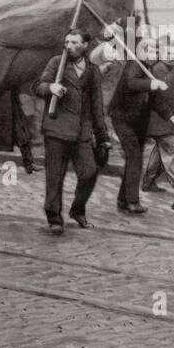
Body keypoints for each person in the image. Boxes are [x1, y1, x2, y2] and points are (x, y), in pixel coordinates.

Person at [34, 28, 111, 233]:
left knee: (89, 173)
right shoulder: (56, 63)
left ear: (85, 45)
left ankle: (77, 210)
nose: (69, 46)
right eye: (67, 42)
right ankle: (54, 217)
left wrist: (102, 136)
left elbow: (97, 104)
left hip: (82, 132)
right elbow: (39, 86)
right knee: (55, 177)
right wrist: (50, 88)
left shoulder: (93, 70)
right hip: (56, 128)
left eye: (75, 42)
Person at [108, 38, 166, 214]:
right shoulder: (134, 65)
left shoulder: (149, 69)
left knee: (135, 157)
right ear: (141, 51)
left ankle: (123, 199)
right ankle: (132, 201)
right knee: (135, 157)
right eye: (150, 51)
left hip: (138, 121)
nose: (154, 55)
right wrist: (152, 83)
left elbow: (156, 100)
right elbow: (132, 83)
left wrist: (170, 117)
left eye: (156, 52)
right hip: (123, 118)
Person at [140, 38, 174, 195]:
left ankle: (148, 182)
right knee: (172, 151)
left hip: (173, 120)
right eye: (168, 53)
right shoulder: (153, 71)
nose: (172, 56)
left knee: (159, 153)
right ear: (161, 53)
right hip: (158, 120)